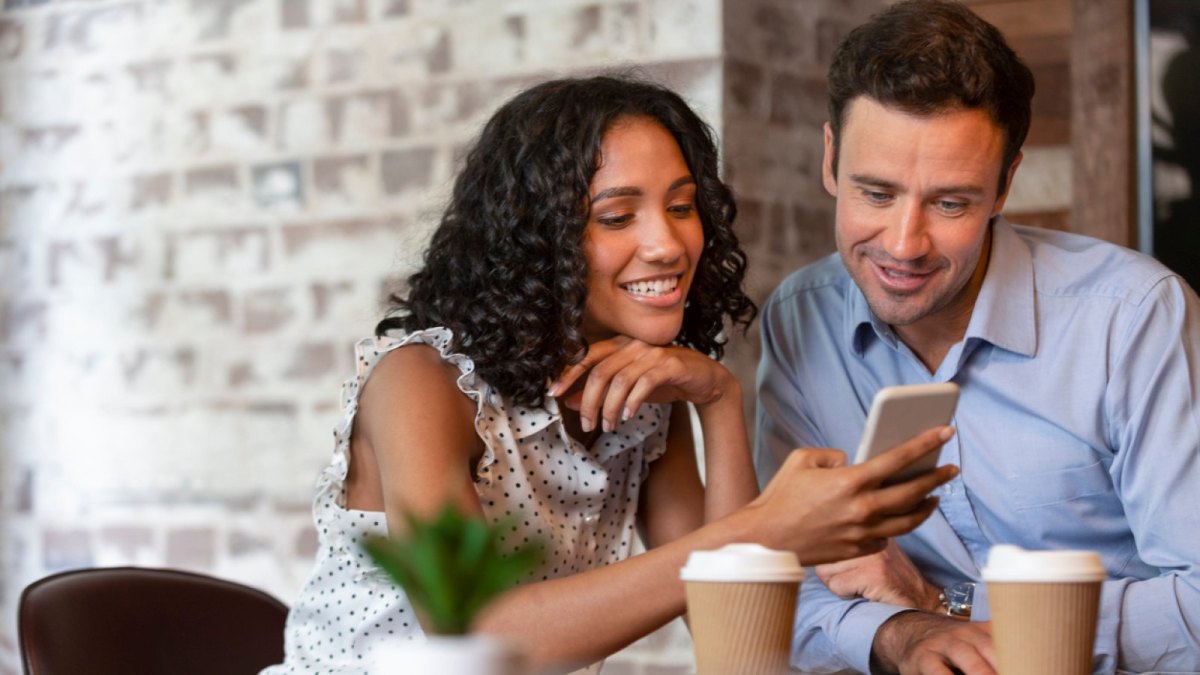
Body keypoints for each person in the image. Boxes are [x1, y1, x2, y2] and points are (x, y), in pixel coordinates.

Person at [262, 73, 956, 675]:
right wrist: (768, 527)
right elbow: (475, 634)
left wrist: (717, 398)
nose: (666, 243)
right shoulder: (422, 382)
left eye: (682, 207)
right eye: (617, 215)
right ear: (535, 239)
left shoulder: (648, 405)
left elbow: (732, 638)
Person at [754, 1, 1200, 674]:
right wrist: (903, 632)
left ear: (1004, 186)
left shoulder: (1136, 318)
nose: (903, 245)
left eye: (950, 203)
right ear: (830, 158)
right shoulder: (800, 317)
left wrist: (947, 602)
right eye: (875, 193)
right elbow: (783, 591)